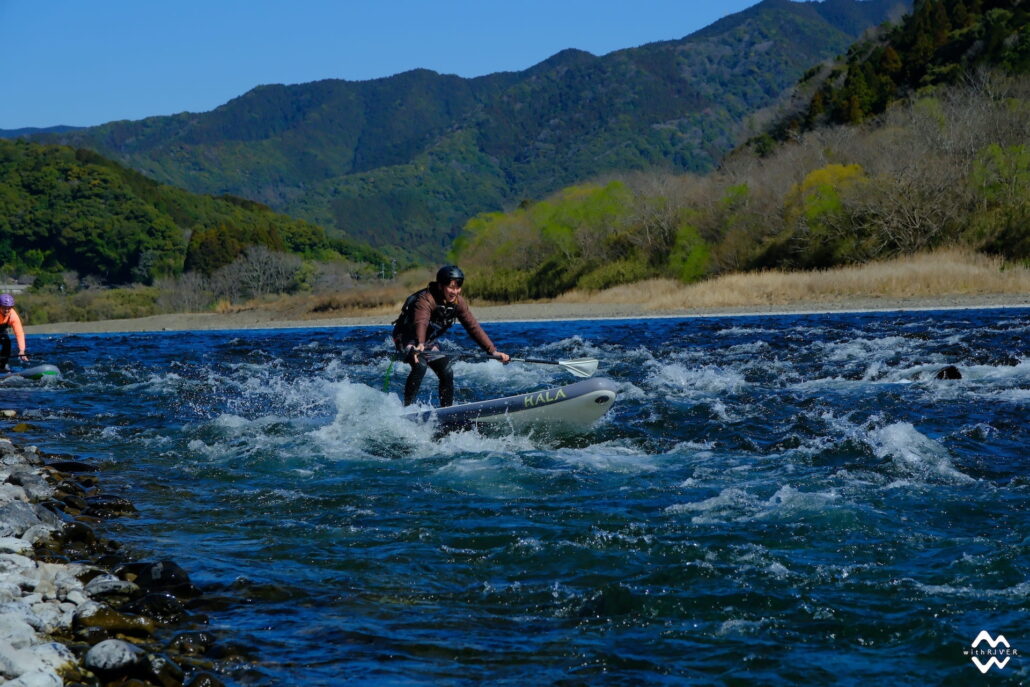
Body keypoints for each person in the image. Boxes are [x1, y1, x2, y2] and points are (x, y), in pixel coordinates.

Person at [392, 265, 510, 406]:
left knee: (446, 371)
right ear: (440, 286)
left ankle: (446, 410)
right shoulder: (426, 299)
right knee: (420, 366)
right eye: (451, 287)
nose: (455, 291)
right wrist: (420, 343)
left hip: (428, 341)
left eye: (458, 287)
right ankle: (407, 408)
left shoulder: (458, 302)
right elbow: (421, 321)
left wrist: (493, 351)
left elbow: (473, 327)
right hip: (407, 338)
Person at [0, 294, 27, 372]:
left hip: (1, 331)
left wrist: (22, 350)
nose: (6, 310)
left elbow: (19, 333)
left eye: (9, 308)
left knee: (7, 342)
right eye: (4, 308)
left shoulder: (13, 316)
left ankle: (3, 365)